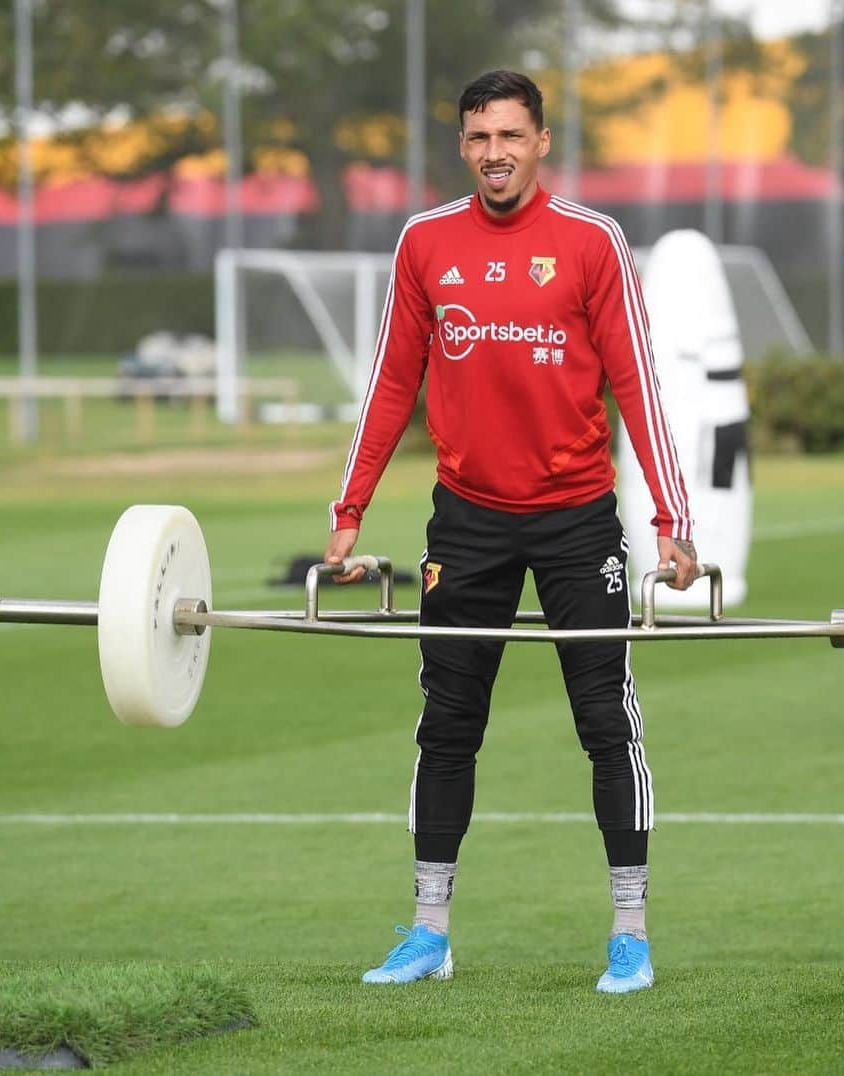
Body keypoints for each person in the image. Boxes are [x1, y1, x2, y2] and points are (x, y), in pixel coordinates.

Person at [324, 70, 699, 994]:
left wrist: (673, 523)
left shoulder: (591, 243)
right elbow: (388, 388)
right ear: (463, 146)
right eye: (479, 137)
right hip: (468, 520)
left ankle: (631, 933)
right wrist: (347, 516)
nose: (495, 151)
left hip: (577, 522)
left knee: (606, 723)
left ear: (541, 142)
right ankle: (428, 929)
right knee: (447, 725)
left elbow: (639, 388)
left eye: (511, 135)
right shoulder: (425, 243)